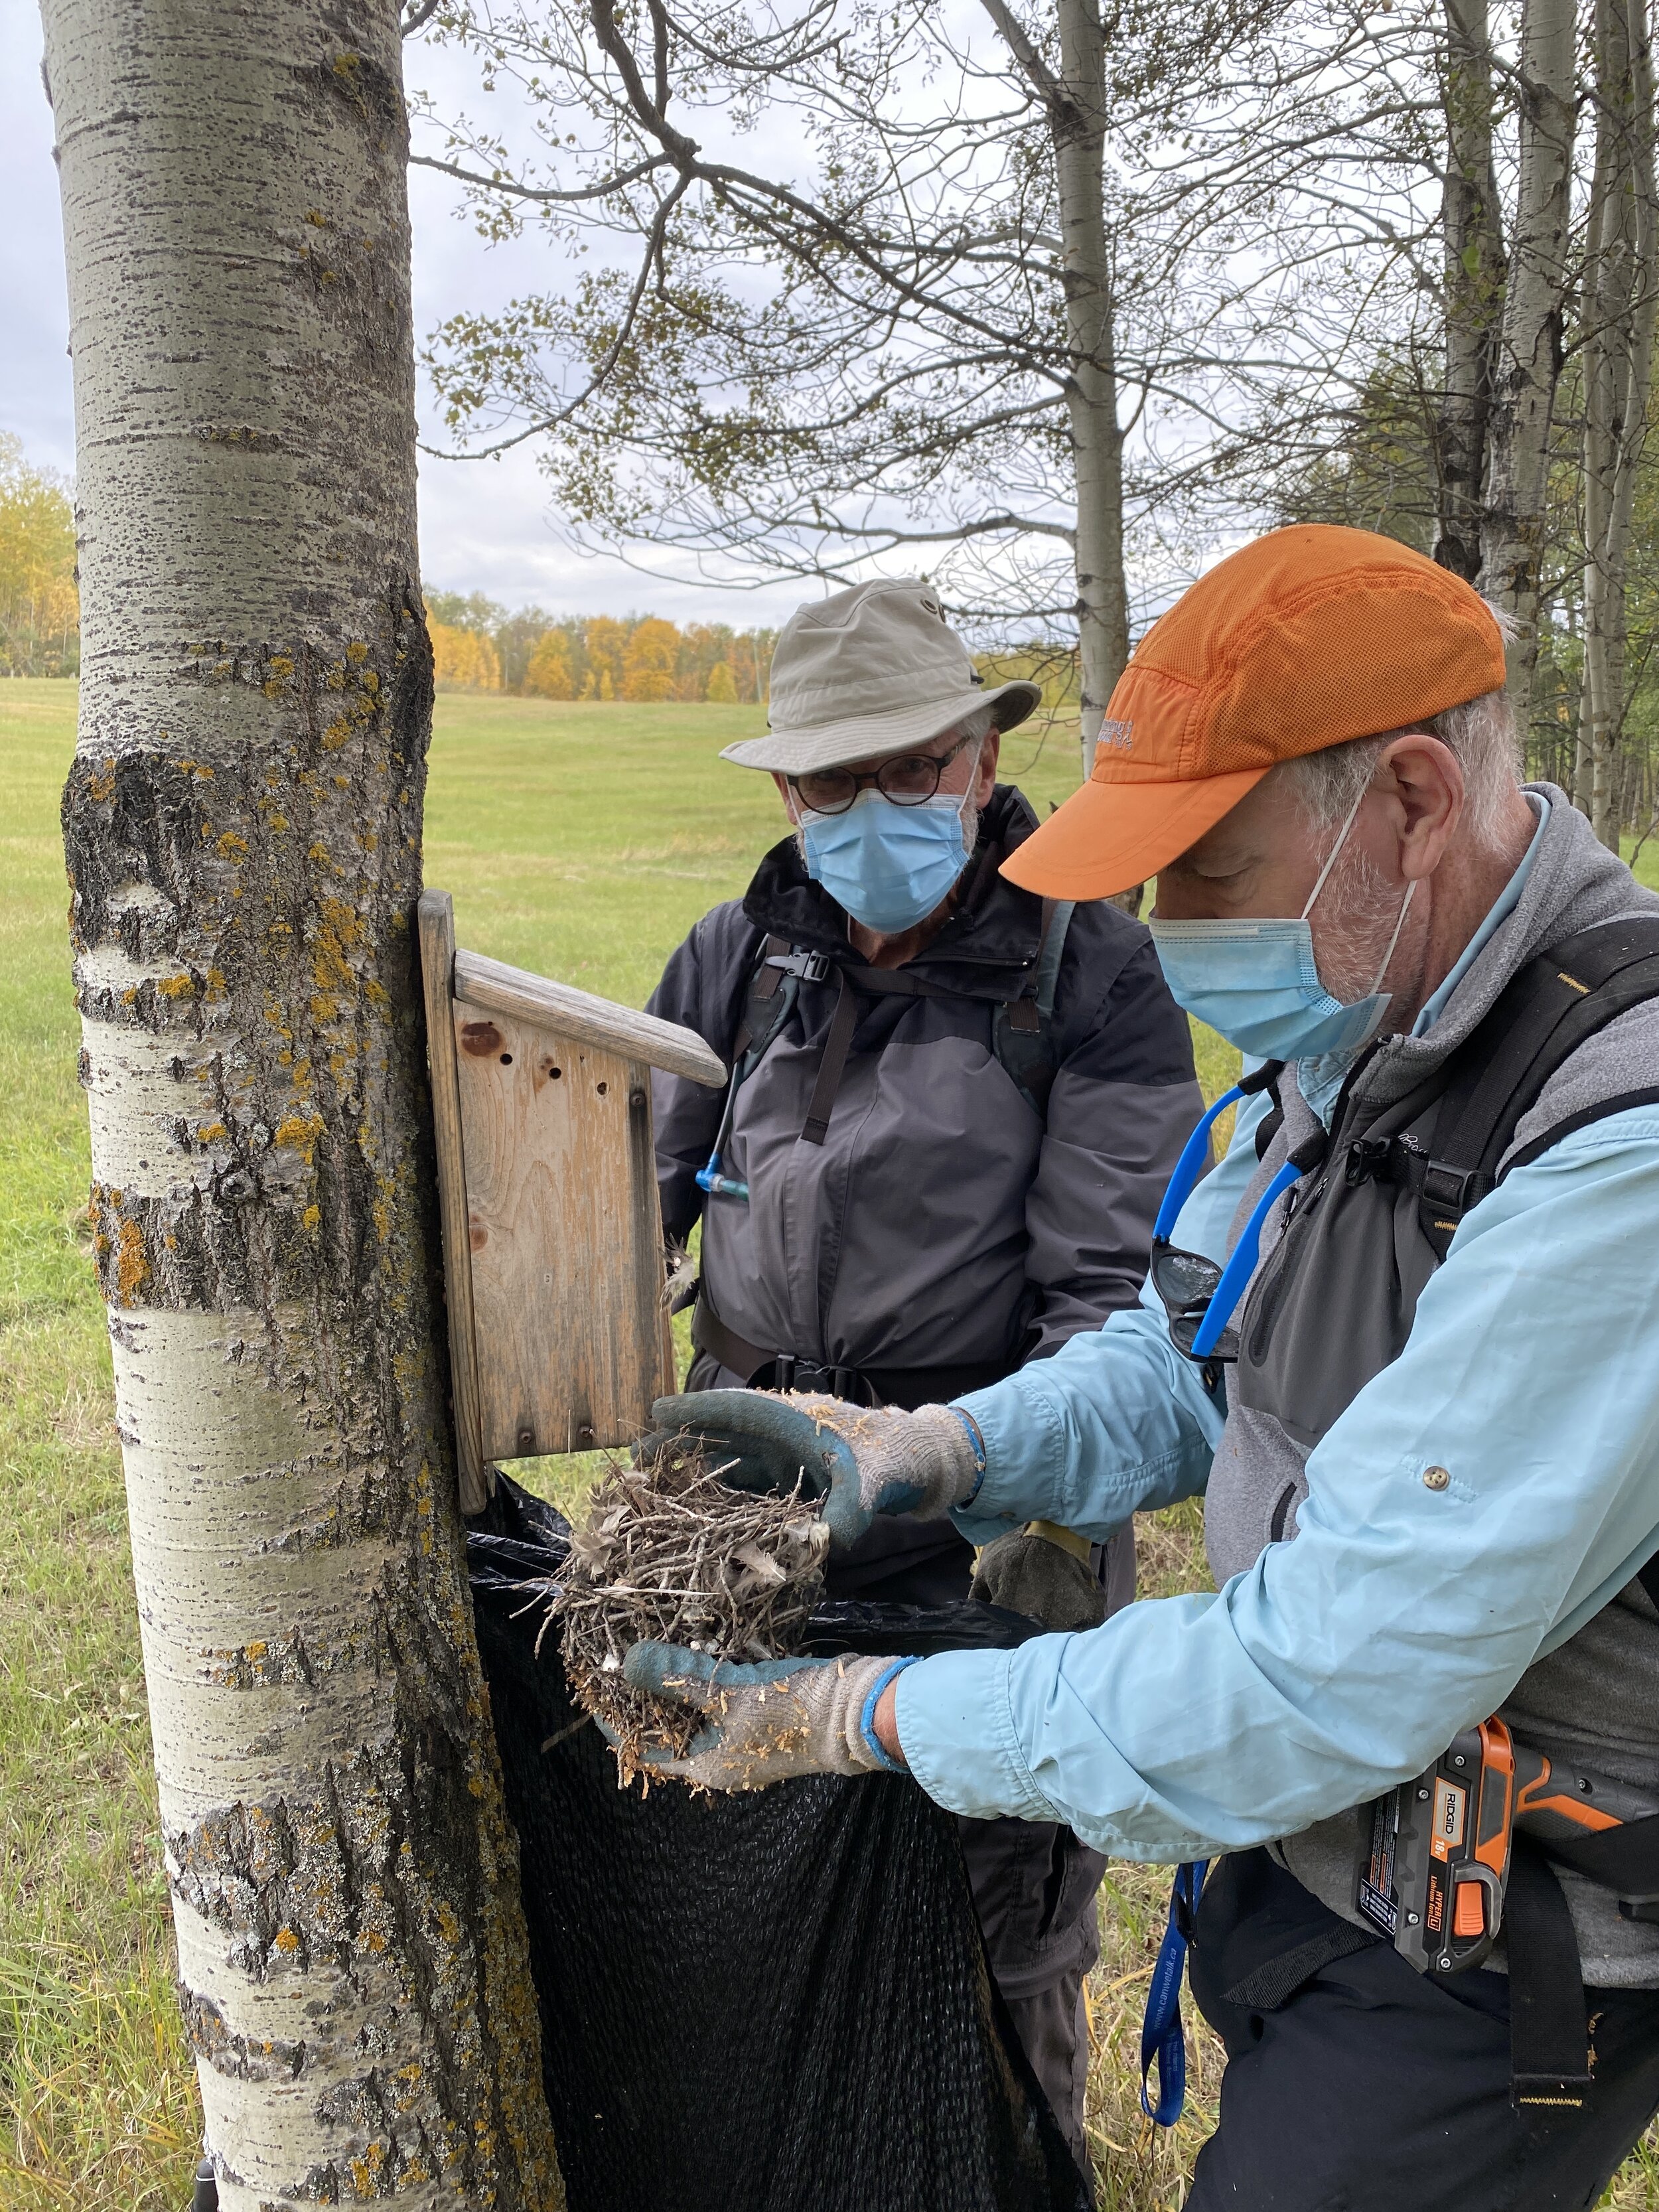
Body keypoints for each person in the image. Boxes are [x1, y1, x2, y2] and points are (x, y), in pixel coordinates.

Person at [630, 527, 1659, 2211]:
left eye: (1206, 867)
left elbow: (1318, 1673)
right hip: (1325, 1856)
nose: (1164, 924)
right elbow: (1193, 1364)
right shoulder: (1352, 1038)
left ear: (1406, 803)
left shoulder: (1607, 1148)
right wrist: (937, 1447)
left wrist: (859, 1709)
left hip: (1486, 1943)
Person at [644, 575, 1204, 2173]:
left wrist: (973, 1485)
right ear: (784, 791)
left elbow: (1110, 1295)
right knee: (748, 1858)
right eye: (837, 779)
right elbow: (632, 1182)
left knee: (992, 1913)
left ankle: (1015, 2166)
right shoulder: (739, 959)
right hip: (740, 1513)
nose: (878, 807)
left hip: (981, 1515)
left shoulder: (1081, 970)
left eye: (914, 767)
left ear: (976, 760)